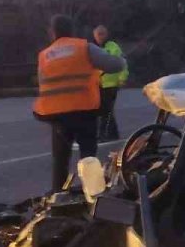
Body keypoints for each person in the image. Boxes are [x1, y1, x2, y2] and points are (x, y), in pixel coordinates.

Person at [34, 15, 126, 193]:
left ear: (52, 32)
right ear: (72, 30)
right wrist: (121, 59)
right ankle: (93, 195)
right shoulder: (84, 48)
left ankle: (57, 196)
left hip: (56, 114)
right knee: (88, 157)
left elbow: (42, 81)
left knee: (60, 159)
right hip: (83, 110)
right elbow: (115, 65)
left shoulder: (44, 55)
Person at [92, 24, 129, 142]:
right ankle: (112, 133)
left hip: (111, 84)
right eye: (98, 34)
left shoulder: (113, 47)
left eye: (102, 34)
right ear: (94, 35)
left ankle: (104, 134)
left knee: (106, 110)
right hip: (98, 84)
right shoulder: (92, 48)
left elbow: (123, 64)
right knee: (104, 111)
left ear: (106, 34)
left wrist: (122, 79)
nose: (100, 37)